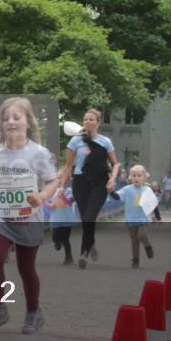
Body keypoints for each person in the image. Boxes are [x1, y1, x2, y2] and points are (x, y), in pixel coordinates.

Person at [0, 97, 58, 336]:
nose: (11, 122)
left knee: (26, 268)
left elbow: (53, 182)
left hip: (28, 218)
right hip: (3, 217)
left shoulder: (38, 153)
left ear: (28, 122)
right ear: (1, 125)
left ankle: (34, 312)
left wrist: (41, 197)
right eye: (6, 119)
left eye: (16, 117)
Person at [58, 109, 120, 269]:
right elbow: (68, 166)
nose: (87, 122)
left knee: (89, 217)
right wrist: (61, 187)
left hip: (100, 183)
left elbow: (116, 164)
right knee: (85, 218)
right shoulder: (75, 141)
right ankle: (90, 243)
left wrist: (112, 179)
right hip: (80, 182)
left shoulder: (105, 141)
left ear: (98, 122)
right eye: (85, 119)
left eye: (91, 119)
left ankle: (83, 253)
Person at [113, 165, 157, 268]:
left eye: (139, 175)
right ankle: (135, 260)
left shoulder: (147, 190)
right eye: (134, 175)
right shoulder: (127, 189)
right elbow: (117, 197)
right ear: (130, 177)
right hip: (131, 219)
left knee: (141, 235)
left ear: (144, 178)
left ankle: (148, 247)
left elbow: (153, 204)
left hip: (143, 219)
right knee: (134, 240)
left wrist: (155, 216)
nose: (136, 177)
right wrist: (111, 191)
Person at [48, 185, 77, 265]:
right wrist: (50, 205)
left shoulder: (70, 190)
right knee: (55, 238)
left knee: (65, 239)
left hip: (67, 219)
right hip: (55, 219)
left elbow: (69, 201)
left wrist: (63, 197)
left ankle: (69, 257)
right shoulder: (53, 191)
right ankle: (57, 242)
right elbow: (47, 202)